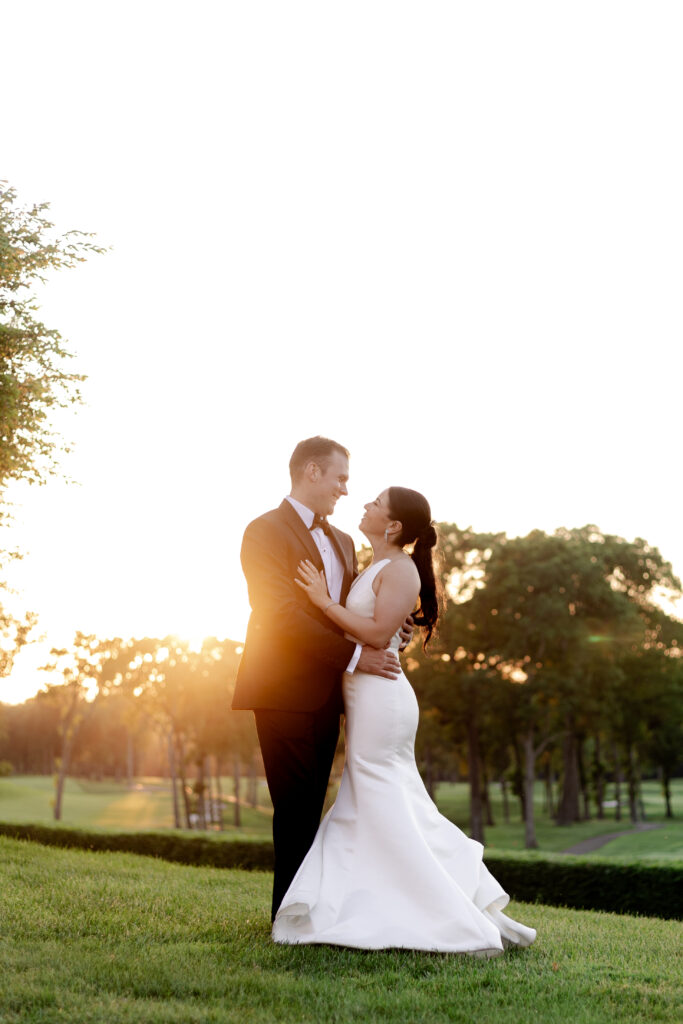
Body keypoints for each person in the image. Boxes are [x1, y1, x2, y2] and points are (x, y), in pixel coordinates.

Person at [272, 485, 537, 955]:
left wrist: (320, 600)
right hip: (364, 693)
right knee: (380, 798)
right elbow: (381, 623)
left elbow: (375, 634)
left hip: (381, 696)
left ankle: (433, 907)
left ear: (393, 525)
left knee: (378, 794)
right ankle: (375, 901)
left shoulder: (400, 568)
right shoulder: (375, 564)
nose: (365, 505)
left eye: (375, 503)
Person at [232, 437, 407, 921]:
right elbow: (279, 615)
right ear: (312, 471)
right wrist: (356, 656)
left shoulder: (343, 541)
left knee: (314, 807)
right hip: (282, 691)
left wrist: (390, 626)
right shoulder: (263, 531)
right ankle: (287, 919)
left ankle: (312, 911)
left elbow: (350, 611)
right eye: (341, 479)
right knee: (294, 809)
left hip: (331, 694)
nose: (345, 491)